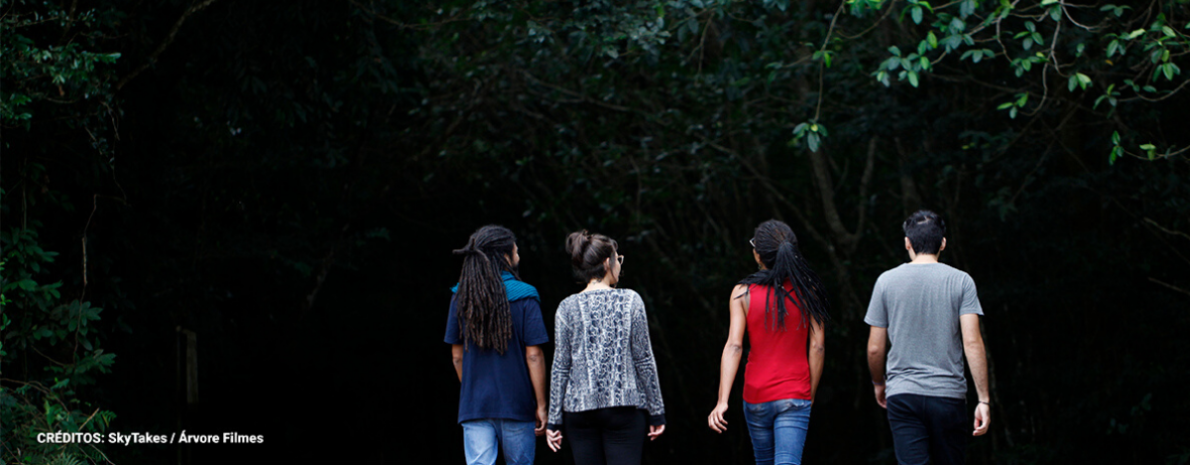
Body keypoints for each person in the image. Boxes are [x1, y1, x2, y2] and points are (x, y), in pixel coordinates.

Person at [865, 210, 991, 465]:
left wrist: (879, 382)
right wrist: (984, 399)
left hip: (903, 394)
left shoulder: (886, 282)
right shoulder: (961, 281)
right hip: (948, 395)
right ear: (943, 242)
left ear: (907, 243)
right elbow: (972, 343)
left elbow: (875, 349)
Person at [707, 219, 831, 465]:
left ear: (758, 255)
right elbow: (817, 346)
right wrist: (810, 393)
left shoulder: (742, 293)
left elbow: (734, 346)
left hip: (755, 395)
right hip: (795, 393)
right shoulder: (809, 290)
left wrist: (722, 401)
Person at [545, 230, 665, 465]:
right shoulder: (631, 300)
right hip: (624, 409)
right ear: (606, 262)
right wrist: (656, 410)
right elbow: (643, 359)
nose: (620, 265)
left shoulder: (566, 307)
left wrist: (553, 420)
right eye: (618, 259)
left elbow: (561, 366)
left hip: (579, 411)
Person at [444, 225, 549, 465]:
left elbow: (456, 356)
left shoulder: (462, 295)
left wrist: (473, 389)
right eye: (516, 250)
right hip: (517, 404)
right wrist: (541, 405)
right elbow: (534, 355)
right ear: (504, 255)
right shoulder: (525, 295)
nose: (518, 256)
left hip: (475, 406)